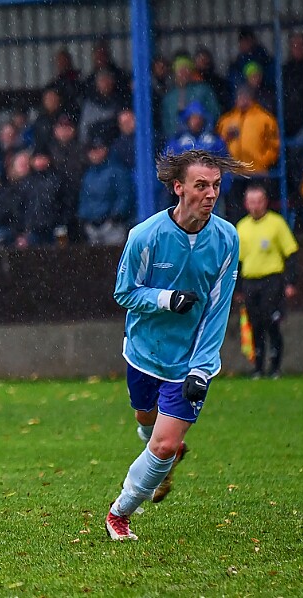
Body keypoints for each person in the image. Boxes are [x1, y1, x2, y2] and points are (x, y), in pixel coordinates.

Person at [105, 150, 249, 541]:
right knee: (145, 422)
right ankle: (160, 457)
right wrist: (165, 299)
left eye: (216, 185)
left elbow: (218, 310)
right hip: (143, 352)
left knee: (165, 444)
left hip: (189, 362)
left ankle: (119, 514)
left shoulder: (226, 239)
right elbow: (124, 292)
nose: (210, 194)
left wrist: (202, 368)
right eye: (201, 185)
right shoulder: (145, 237)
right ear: (178, 187)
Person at [235, 184, 298, 379]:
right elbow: (237, 261)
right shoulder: (241, 227)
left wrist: (290, 282)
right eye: (251, 202)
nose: (255, 206)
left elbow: (291, 253)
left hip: (272, 281)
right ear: (246, 204)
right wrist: (237, 288)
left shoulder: (276, 223)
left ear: (265, 202)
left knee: (272, 323)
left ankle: (275, 367)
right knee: (255, 325)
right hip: (250, 282)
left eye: (259, 201)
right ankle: (258, 368)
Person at [216, 85, 280, 222]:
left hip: (257, 172)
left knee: (259, 209)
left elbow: (274, 145)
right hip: (234, 173)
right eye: (240, 96)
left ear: (252, 98)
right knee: (235, 211)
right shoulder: (226, 121)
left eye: (246, 96)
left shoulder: (265, 119)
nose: (243, 99)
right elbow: (218, 145)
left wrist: (263, 161)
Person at [77, 137, 134, 246]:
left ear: (105, 149)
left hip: (112, 226)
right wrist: (83, 216)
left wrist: (116, 216)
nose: (94, 153)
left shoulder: (117, 171)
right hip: (91, 226)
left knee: (115, 258)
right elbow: (84, 198)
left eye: (98, 149)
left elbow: (124, 195)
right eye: (92, 150)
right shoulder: (88, 174)